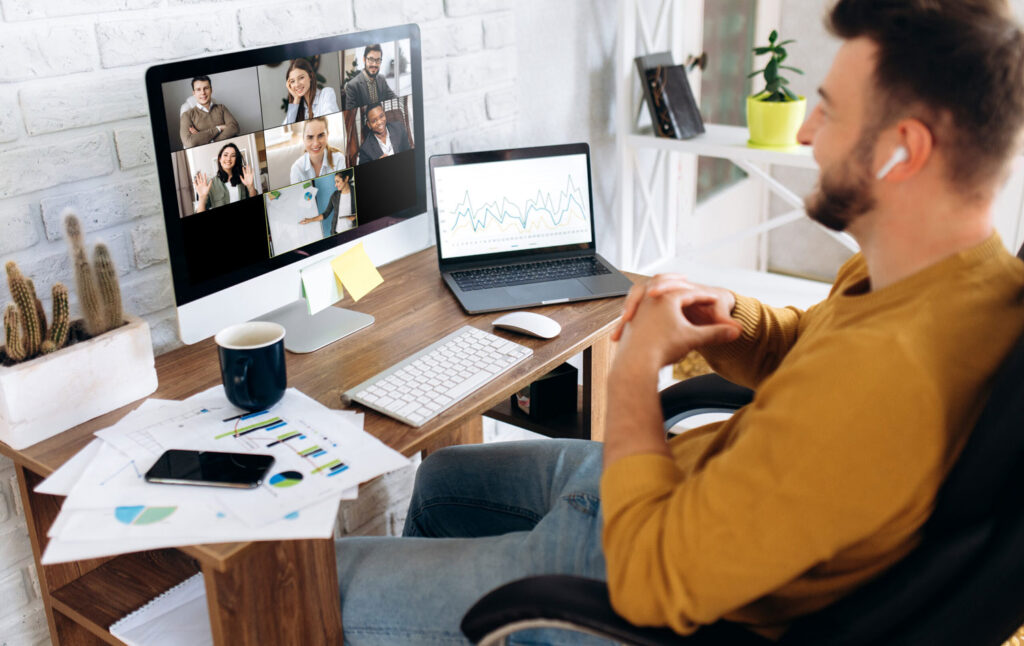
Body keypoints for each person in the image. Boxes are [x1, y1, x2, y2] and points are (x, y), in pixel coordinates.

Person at [333, 1, 1024, 644]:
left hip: (625, 563)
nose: (808, 131)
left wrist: (638, 365)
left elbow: (649, 583)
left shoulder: (887, 377)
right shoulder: (950, 280)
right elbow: (817, 348)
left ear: (903, 151)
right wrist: (734, 319)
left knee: (322, 583)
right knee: (443, 478)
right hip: (669, 485)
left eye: (830, 112)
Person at [178, 76, 239, 149]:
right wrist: (219, 128)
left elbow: (235, 127)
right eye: (198, 90)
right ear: (194, 93)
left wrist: (207, 139)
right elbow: (189, 142)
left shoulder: (221, 108)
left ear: (211, 90)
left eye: (206, 88)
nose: (203, 93)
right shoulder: (187, 115)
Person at [193, 143, 256, 213]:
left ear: (236, 159)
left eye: (233, 156)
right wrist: (202, 197)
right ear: (220, 159)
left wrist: (251, 187)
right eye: (225, 155)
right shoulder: (211, 184)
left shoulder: (243, 180)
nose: (228, 159)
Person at [282, 58, 339, 126]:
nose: (297, 84)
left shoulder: (326, 94)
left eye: (301, 78)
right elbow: (286, 130)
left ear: (310, 76)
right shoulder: (299, 105)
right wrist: (296, 99)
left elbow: (331, 123)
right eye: (292, 81)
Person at [289, 117, 345, 183]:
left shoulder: (339, 159)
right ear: (303, 138)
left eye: (320, 135)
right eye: (310, 137)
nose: (315, 143)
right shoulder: (297, 169)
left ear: (327, 135)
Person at [344, 44, 397, 110]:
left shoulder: (382, 79)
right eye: (371, 59)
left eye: (378, 60)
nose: (374, 64)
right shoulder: (352, 86)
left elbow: (394, 98)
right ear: (364, 59)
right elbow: (351, 113)